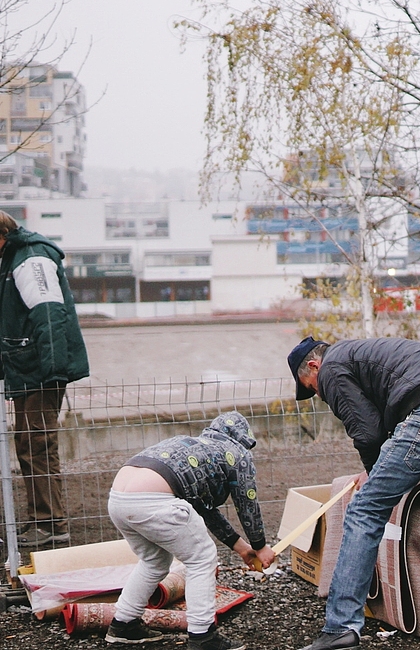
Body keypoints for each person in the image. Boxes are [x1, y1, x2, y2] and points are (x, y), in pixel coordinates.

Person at [288, 336, 420, 650]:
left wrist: (373, 472)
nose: (317, 392)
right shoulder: (361, 353)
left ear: (314, 366)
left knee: (364, 510)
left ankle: (340, 626)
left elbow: (368, 432)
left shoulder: (331, 367)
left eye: (311, 386)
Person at [105, 411, 275, 650]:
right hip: (154, 499)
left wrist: (242, 548)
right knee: (202, 559)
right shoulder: (237, 454)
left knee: (154, 561)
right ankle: (203, 636)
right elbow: (247, 504)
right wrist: (260, 546)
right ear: (243, 438)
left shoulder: (196, 448)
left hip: (119, 499)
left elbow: (205, 510)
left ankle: (123, 624)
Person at [0, 209, 88, 548]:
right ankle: (43, 519)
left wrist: (53, 371)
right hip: (27, 366)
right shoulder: (14, 257)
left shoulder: (30, 260)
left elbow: (48, 314)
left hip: (39, 368)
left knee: (37, 442)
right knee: (28, 442)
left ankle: (52, 524)